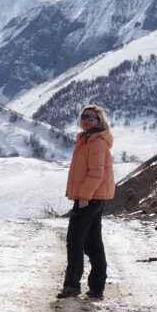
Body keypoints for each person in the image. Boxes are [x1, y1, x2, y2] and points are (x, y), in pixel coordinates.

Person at [56, 104, 115, 300]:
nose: (87, 120)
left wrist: (85, 196)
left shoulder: (96, 142)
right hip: (92, 197)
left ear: (99, 120)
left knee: (75, 241)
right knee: (92, 243)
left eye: (92, 117)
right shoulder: (87, 139)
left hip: (89, 197)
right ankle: (97, 287)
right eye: (84, 116)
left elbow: (96, 173)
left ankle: (72, 286)